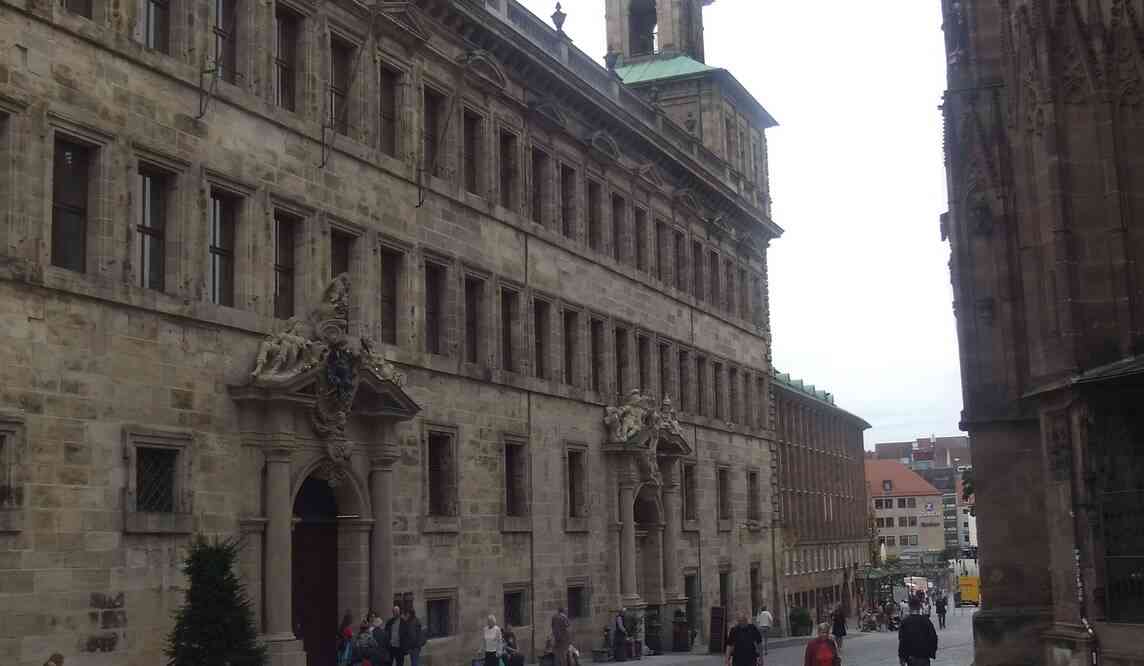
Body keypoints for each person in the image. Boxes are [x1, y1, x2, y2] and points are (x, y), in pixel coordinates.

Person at [898, 599, 938, 666]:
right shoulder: (926, 621)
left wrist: (902, 657)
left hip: (911, 657)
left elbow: (902, 640)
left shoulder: (905, 622)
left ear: (909, 607)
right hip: (924, 656)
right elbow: (933, 638)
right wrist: (931, 653)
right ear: (919, 607)